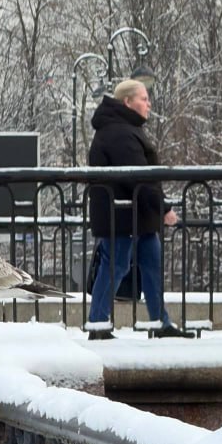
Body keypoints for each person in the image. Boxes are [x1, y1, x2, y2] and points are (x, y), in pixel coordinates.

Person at [86, 77, 192, 339]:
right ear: (128, 102)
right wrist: (163, 208)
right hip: (122, 215)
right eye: (144, 99)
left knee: (151, 265)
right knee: (115, 266)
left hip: (136, 215)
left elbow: (143, 177)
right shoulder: (119, 132)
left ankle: (161, 323)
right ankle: (97, 325)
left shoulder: (125, 128)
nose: (149, 104)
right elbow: (139, 177)